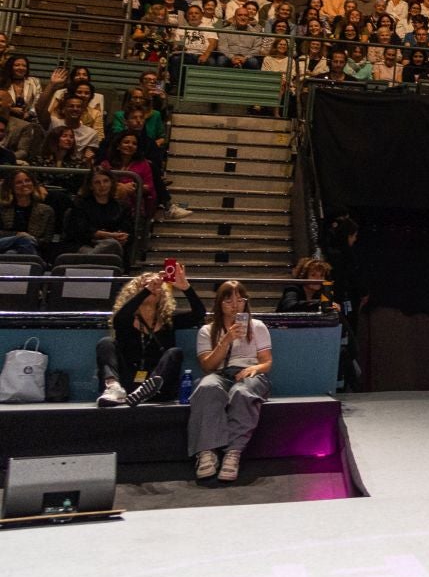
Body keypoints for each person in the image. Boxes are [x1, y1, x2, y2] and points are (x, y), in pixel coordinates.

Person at [190, 280, 273, 484]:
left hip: (249, 372)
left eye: (240, 299)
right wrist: (225, 340)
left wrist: (254, 369)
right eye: (229, 300)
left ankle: (233, 452)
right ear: (219, 303)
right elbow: (208, 366)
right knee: (207, 387)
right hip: (220, 373)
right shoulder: (207, 331)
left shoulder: (258, 327)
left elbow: (267, 362)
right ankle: (206, 451)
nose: (235, 304)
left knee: (242, 393)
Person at [96, 260, 203, 407]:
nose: (152, 288)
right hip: (127, 386)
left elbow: (199, 314)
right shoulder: (126, 320)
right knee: (106, 342)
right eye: (145, 286)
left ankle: (147, 388)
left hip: (159, 387)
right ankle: (113, 387)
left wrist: (186, 288)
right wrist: (146, 290)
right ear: (135, 293)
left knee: (174, 352)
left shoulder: (168, 321)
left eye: (156, 286)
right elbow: (120, 318)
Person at [66, 164, 135, 262]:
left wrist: (122, 237)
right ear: (91, 186)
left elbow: (128, 232)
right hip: (84, 245)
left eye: (106, 181)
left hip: (113, 247)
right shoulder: (80, 204)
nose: (102, 185)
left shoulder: (123, 206)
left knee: (112, 245)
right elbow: (79, 231)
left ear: (111, 183)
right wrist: (109, 235)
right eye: (97, 182)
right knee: (108, 246)